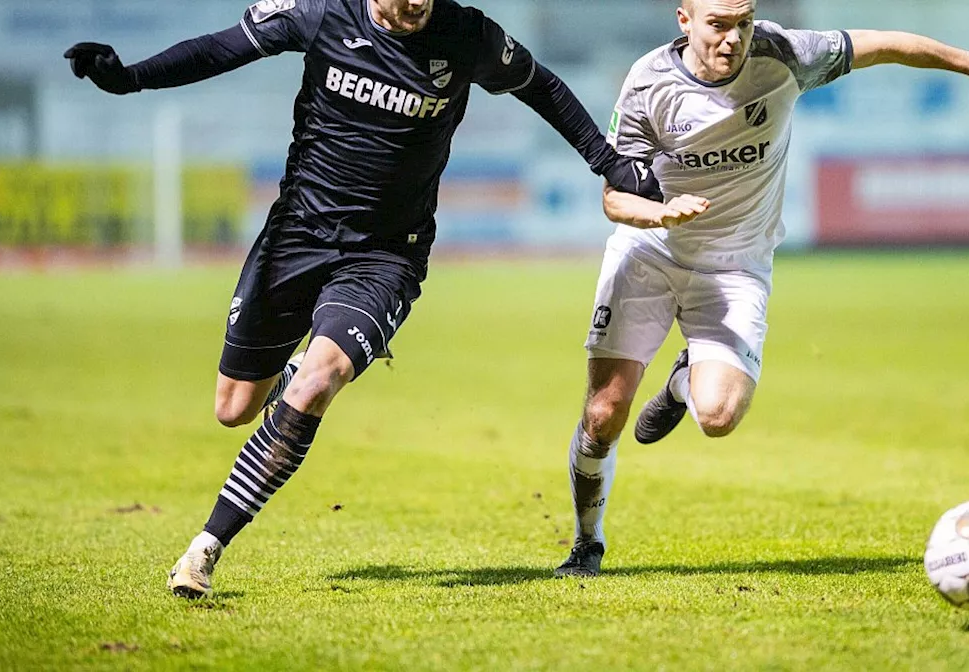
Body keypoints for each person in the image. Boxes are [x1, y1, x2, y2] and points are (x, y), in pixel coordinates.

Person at [65, 0, 663, 598]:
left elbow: (542, 86)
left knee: (316, 384)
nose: (416, 6)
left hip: (386, 255)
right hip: (295, 236)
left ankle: (204, 549)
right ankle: (293, 380)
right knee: (235, 407)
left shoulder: (466, 32)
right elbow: (225, 47)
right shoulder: (320, 12)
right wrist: (132, 77)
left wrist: (609, 164)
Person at [554, 0, 969, 577]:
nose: (734, 38)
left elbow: (884, 42)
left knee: (717, 416)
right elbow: (615, 197)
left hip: (735, 267)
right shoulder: (649, 82)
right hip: (649, 253)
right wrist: (659, 215)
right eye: (719, 25)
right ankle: (588, 542)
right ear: (684, 20)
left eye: (742, 23)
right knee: (604, 413)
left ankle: (686, 381)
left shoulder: (783, 53)